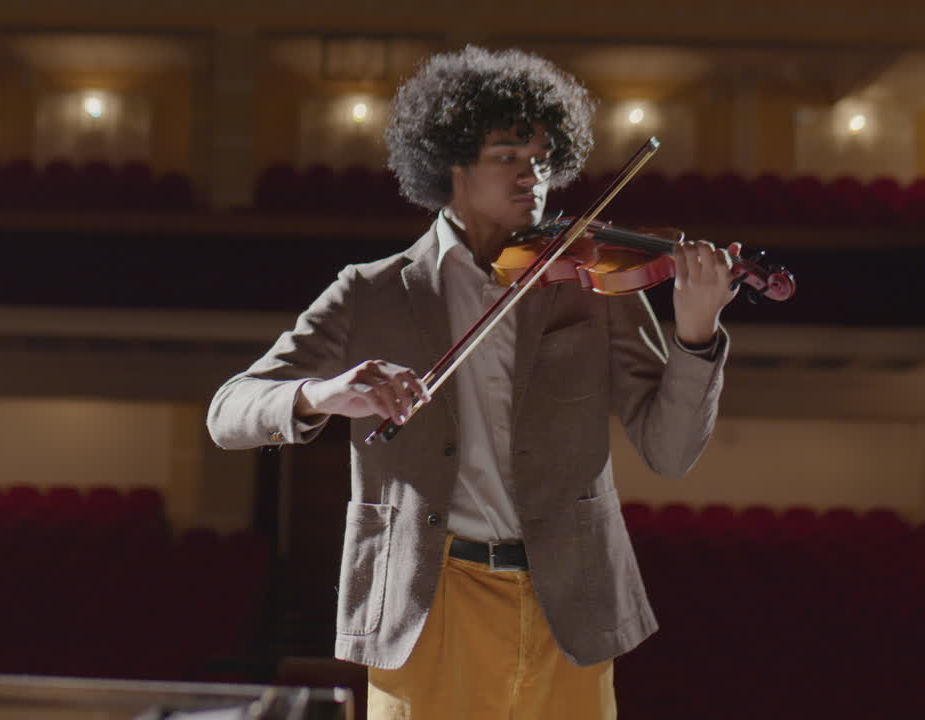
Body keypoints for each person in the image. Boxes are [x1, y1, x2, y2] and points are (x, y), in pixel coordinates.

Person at [207, 46, 738, 719]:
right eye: (507, 155)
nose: (532, 174)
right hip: (427, 600)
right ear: (450, 163)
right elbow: (228, 411)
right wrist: (325, 394)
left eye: (542, 157)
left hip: (569, 598)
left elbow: (671, 451)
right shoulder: (370, 292)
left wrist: (695, 335)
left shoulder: (592, 283)